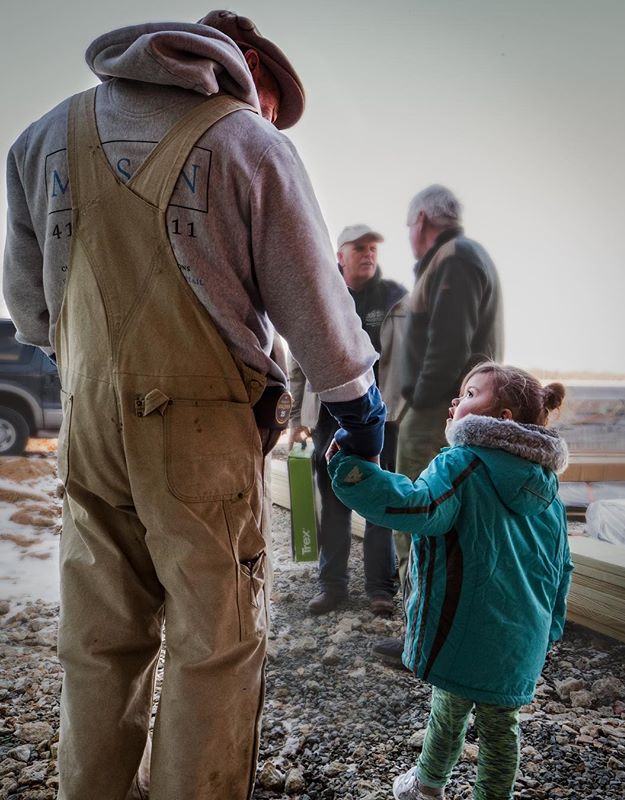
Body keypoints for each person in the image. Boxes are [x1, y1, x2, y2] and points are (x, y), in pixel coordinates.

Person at [3, 11, 386, 800]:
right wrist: (358, 406)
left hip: (85, 424)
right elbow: (313, 302)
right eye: (269, 99)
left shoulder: (42, 139)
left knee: (100, 640)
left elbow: (32, 313)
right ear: (242, 64)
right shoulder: (248, 143)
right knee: (215, 646)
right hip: (203, 437)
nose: (266, 116)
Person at [327, 362, 573, 800]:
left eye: (471, 393)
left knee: (448, 707)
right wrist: (551, 625)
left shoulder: (461, 463)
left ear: (503, 418)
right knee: (502, 731)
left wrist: (353, 472)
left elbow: (418, 507)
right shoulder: (548, 490)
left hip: (464, 628)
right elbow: (560, 566)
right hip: (521, 639)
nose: (457, 401)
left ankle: (427, 785)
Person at [374, 184, 504, 666]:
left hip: (436, 415)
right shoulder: (462, 258)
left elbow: (449, 346)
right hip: (451, 410)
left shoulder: (454, 258)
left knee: (418, 519)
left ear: (423, 221)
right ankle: (438, 631)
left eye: (409, 227)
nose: (409, 236)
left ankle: (420, 636)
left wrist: (422, 402)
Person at [289, 225, 407, 616]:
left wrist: (404, 410)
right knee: (334, 503)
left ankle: (380, 589)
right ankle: (332, 586)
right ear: (341, 255)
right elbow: (300, 360)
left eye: (373, 247)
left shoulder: (394, 299)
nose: (368, 254)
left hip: (382, 421)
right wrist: (295, 419)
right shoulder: (322, 296)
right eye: (360, 248)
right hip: (327, 418)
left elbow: (410, 360)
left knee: (380, 502)